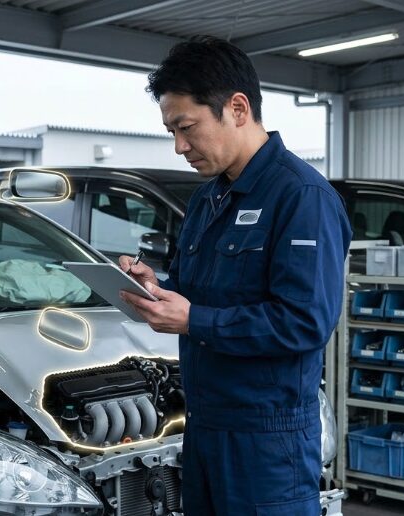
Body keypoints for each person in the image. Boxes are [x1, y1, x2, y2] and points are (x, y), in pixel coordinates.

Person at [118, 35, 351, 515]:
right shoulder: (208, 199)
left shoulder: (302, 197)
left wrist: (193, 321)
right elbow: (195, 293)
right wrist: (156, 289)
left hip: (268, 440)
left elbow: (305, 323)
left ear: (238, 108)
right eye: (171, 132)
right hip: (204, 426)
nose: (180, 146)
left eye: (187, 127)